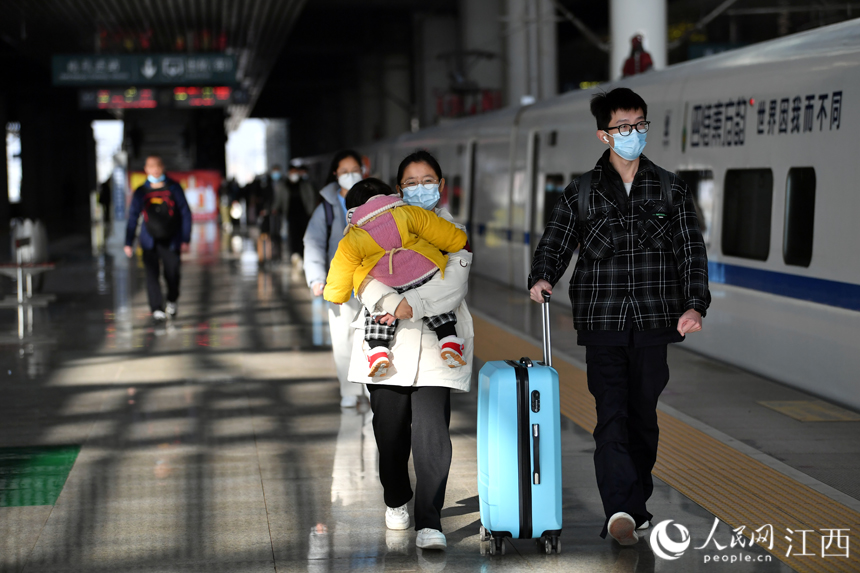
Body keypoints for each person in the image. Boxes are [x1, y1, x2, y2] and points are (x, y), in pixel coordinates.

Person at [528, 88, 710, 545]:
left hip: (654, 322)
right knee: (611, 415)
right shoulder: (581, 192)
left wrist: (695, 304)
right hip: (602, 323)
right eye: (624, 127)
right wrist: (543, 276)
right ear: (604, 135)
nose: (634, 134)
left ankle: (635, 501)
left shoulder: (670, 188)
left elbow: (691, 250)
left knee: (642, 417)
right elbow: (556, 240)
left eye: (640, 125)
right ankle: (620, 511)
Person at [347, 150, 474, 551]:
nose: (422, 188)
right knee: (390, 431)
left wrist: (411, 305)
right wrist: (390, 303)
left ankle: (430, 521)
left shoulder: (455, 230)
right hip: (384, 344)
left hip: (440, 345)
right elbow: (359, 276)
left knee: (432, 431)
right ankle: (396, 497)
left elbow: (453, 286)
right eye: (412, 182)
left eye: (428, 180)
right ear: (399, 189)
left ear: (440, 183)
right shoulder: (375, 225)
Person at [324, 178, 468, 377]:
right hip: (423, 272)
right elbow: (435, 228)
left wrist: (336, 294)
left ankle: (378, 351)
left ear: (352, 209)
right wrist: (458, 240)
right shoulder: (408, 212)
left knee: (377, 313)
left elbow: (342, 265)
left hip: (387, 283)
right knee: (438, 306)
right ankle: (449, 340)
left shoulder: (354, 235)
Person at [303, 149, 366, 408]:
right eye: (344, 171)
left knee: (374, 338)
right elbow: (313, 243)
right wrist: (317, 278)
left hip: (373, 283)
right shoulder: (326, 209)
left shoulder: (374, 200)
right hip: (339, 285)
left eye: (355, 170)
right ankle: (348, 389)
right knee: (343, 339)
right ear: (335, 175)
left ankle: (374, 387)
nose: (350, 175)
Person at [124, 155, 192, 321]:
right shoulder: (140, 192)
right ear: (146, 169)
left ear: (163, 167)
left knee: (173, 273)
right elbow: (133, 217)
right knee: (151, 275)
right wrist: (128, 242)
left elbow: (185, 213)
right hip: (149, 240)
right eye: (151, 166)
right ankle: (156, 308)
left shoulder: (174, 188)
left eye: (157, 166)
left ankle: (172, 299)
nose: (154, 169)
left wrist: (185, 238)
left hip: (172, 239)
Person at [272, 162, 316, 265]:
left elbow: (311, 198)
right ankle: (295, 254)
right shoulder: (284, 186)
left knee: (304, 234)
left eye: (295, 172)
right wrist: (275, 208)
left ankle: (303, 254)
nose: (294, 174)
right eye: (292, 172)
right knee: (293, 235)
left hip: (304, 214)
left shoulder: (304, 185)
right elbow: (279, 199)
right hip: (291, 215)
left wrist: (311, 210)